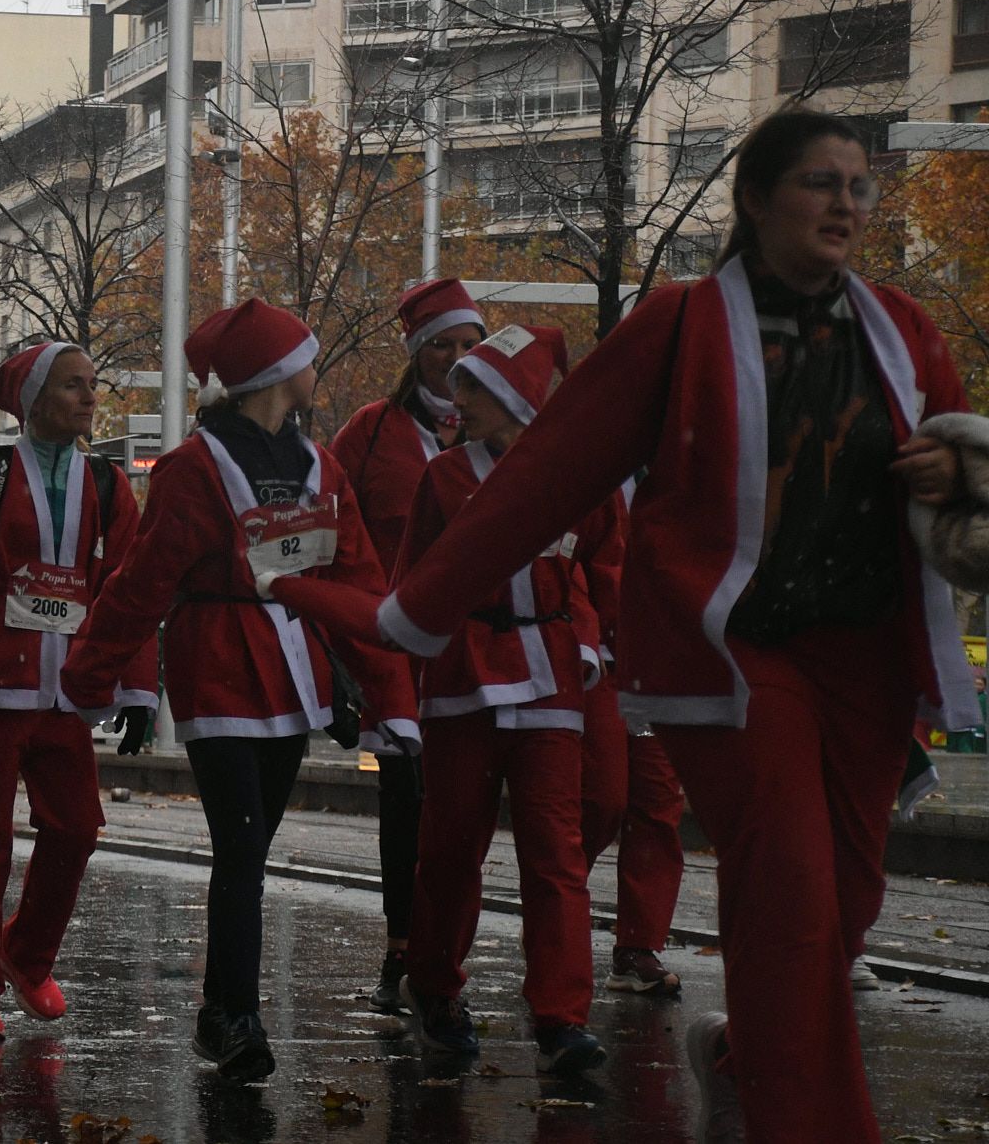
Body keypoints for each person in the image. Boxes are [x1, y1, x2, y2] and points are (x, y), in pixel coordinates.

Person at [374, 110, 980, 1144]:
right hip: (740, 657)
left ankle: (748, 1056)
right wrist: (419, 607)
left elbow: (962, 453)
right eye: (818, 182)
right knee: (789, 887)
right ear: (755, 199)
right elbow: (550, 470)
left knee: (843, 900)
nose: (844, 203)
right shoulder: (680, 323)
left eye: (857, 185)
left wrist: (954, 462)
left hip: (865, 657)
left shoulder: (902, 326)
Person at [63, 300, 416, 1083]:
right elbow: (143, 582)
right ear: (278, 373)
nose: (314, 368)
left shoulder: (320, 468)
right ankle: (241, 1018)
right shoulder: (194, 468)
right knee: (243, 844)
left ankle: (219, 1009)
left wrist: (394, 697)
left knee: (248, 847)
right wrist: (94, 674)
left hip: (293, 674)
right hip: (219, 666)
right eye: (306, 356)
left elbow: (358, 585)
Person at [376, 324, 620, 1078]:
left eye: (476, 387)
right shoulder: (445, 478)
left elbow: (602, 568)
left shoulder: (574, 475)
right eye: (458, 387)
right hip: (463, 685)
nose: (460, 400)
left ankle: (561, 1015)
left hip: (551, 682)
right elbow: (411, 584)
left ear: (519, 396)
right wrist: (393, 688)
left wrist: (592, 643)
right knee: (451, 850)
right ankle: (435, 986)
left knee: (556, 854)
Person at [0, 342, 151, 1042]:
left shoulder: (108, 483)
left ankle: (24, 954)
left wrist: (138, 687)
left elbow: (129, 588)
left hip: (66, 696)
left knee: (76, 830)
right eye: (74, 386)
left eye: (92, 384)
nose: (90, 397)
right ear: (35, 400)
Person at [330, 277, 483, 1014]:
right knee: (406, 800)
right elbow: (327, 522)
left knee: (463, 809)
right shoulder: (371, 432)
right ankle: (403, 942)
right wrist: (338, 645)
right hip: (393, 652)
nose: (455, 359)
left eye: (469, 345)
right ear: (416, 353)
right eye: (441, 346)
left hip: (483, 650)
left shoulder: (500, 428)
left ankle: (444, 947)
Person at [580, 481, 688, 999]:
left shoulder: (681, 466)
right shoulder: (592, 466)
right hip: (598, 663)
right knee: (602, 798)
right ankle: (556, 908)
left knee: (656, 802)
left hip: (656, 667)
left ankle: (637, 946)